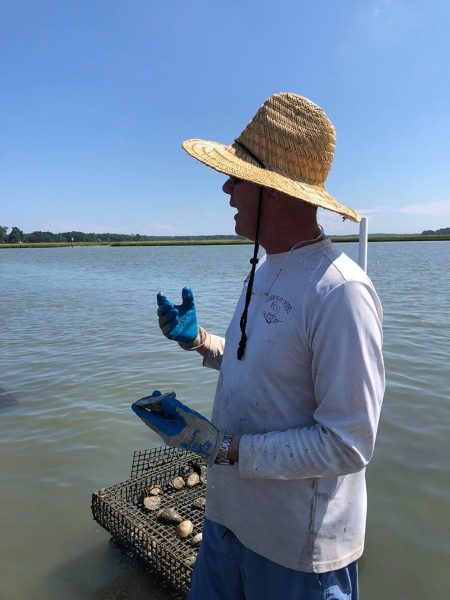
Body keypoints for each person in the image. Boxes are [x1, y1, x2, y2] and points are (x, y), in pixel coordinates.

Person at [132, 93, 385, 600]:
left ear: (277, 192)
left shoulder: (342, 292)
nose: (226, 187)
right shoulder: (265, 269)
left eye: (239, 177)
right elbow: (263, 366)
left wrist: (225, 449)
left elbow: (349, 442)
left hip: (296, 553)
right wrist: (200, 343)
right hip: (228, 521)